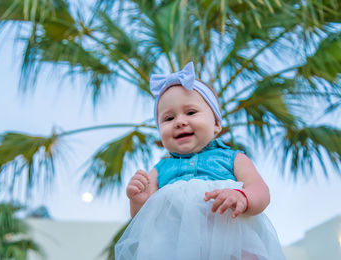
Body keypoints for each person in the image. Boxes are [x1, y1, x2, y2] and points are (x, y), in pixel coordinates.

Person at [115, 62, 285, 260]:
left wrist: (243, 197)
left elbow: (261, 191)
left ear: (216, 124)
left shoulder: (233, 158)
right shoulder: (159, 170)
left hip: (231, 242)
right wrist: (139, 201)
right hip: (176, 250)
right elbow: (143, 219)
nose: (179, 121)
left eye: (191, 112)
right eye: (168, 118)